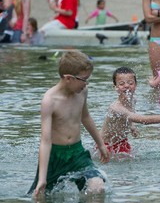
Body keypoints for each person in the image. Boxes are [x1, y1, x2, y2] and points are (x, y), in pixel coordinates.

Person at [28, 50, 110, 197]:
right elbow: (45, 141)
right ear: (68, 78)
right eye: (84, 79)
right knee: (40, 195)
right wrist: (42, 178)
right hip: (55, 156)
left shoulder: (82, 91)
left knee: (98, 188)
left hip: (78, 154)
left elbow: (86, 117)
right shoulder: (49, 101)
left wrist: (101, 144)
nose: (86, 83)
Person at [100, 66, 160, 157]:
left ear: (136, 85)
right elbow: (141, 119)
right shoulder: (116, 107)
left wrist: (132, 126)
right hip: (106, 145)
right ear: (115, 87)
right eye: (121, 84)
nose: (127, 86)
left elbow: (129, 116)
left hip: (122, 142)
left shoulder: (133, 100)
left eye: (130, 83)